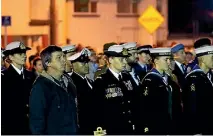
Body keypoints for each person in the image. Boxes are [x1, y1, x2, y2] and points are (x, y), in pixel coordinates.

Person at [29, 45, 78, 135]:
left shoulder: (68, 82)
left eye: (63, 56)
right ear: (48, 63)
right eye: (59, 58)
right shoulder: (41, 87)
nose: (64, 60)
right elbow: (37, 123)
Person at [92, 45, 136, 135]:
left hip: (129, 128)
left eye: (125, 59)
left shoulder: (127, 77)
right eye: (121, 59)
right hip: (113, 129)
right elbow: (97, 110)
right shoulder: (101, 81)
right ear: (111, 60)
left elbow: (135, 101)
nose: (124, 62)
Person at [138, 48, 182, 135]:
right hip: (157, 128)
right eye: (166, 60)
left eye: (169, 59)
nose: (169, 62)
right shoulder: (149, 80)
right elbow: (145, 108)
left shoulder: (168, 79)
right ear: (156, 61)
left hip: (171, 126)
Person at [1, 41, 35, 134]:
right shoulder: (4, 78)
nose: (24, 56)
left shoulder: (31, 75)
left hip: (31, 125)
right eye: (20, 54)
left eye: (24, 53)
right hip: (13, 126)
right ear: (11, 57)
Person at [183, 45, 213, 135]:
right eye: (212, 57)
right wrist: (196, 130)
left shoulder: (208, 75)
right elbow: (192, 107)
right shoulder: (193, 78)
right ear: (203, 59)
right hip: (201, 128)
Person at [67, 48, 94, 134]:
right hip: (80, 127)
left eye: (87, 62)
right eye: (82, 63)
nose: (86, 65)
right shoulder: (71, 83)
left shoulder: (90, 81)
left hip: (92, 125)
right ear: (73, 65)